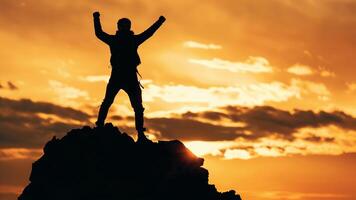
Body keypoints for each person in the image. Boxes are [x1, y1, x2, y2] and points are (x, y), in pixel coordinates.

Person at [93, 11, 166, 143]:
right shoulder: (129, 40)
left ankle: (138, 133)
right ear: (121, 27)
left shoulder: (120, 40)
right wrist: (96, 18)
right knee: (117, 103)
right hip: (123, 76)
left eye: (125, 25)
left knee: (134, 106)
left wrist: (159, 22)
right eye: (123, 25)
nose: (124, 28)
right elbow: (149, 33)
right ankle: (100, 126)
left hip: (125, 77)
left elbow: (149, 33)